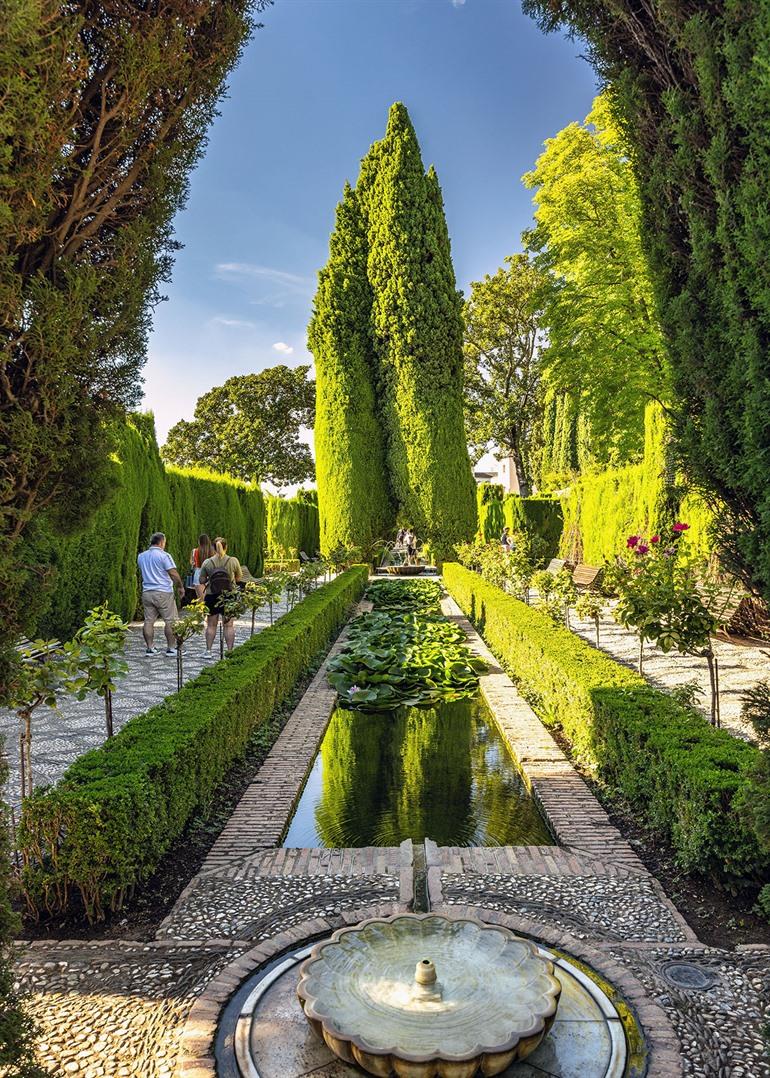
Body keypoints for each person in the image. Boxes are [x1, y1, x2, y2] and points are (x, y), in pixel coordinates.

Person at [137, 532, 186, 656]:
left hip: (147, 592)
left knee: (148, 621)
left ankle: (150, 648)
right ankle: (171, 648)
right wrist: (180, 586)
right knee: (170, 621)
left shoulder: (141, 556)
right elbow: (173, 573)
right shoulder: (164, 556)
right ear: (161, 542)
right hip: (163, 592)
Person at [199, 536, 243, 658]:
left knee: (211, 625)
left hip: (212, 596)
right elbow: (239, 578)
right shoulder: (233, 561)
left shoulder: (207, 562)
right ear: (226, 547)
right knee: (228, 625)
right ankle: (229, 651)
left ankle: (208, 651)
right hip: (229, 595)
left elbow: (201, 579)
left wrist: (210, 578)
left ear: (213, 547)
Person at [190, 533, 215, 599]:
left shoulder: (195, 551)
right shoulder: (213, 551)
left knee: (201, 601)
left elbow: (192, 562)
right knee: (211, 600)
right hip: (210, 574)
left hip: (198, 574)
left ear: (199, 541)